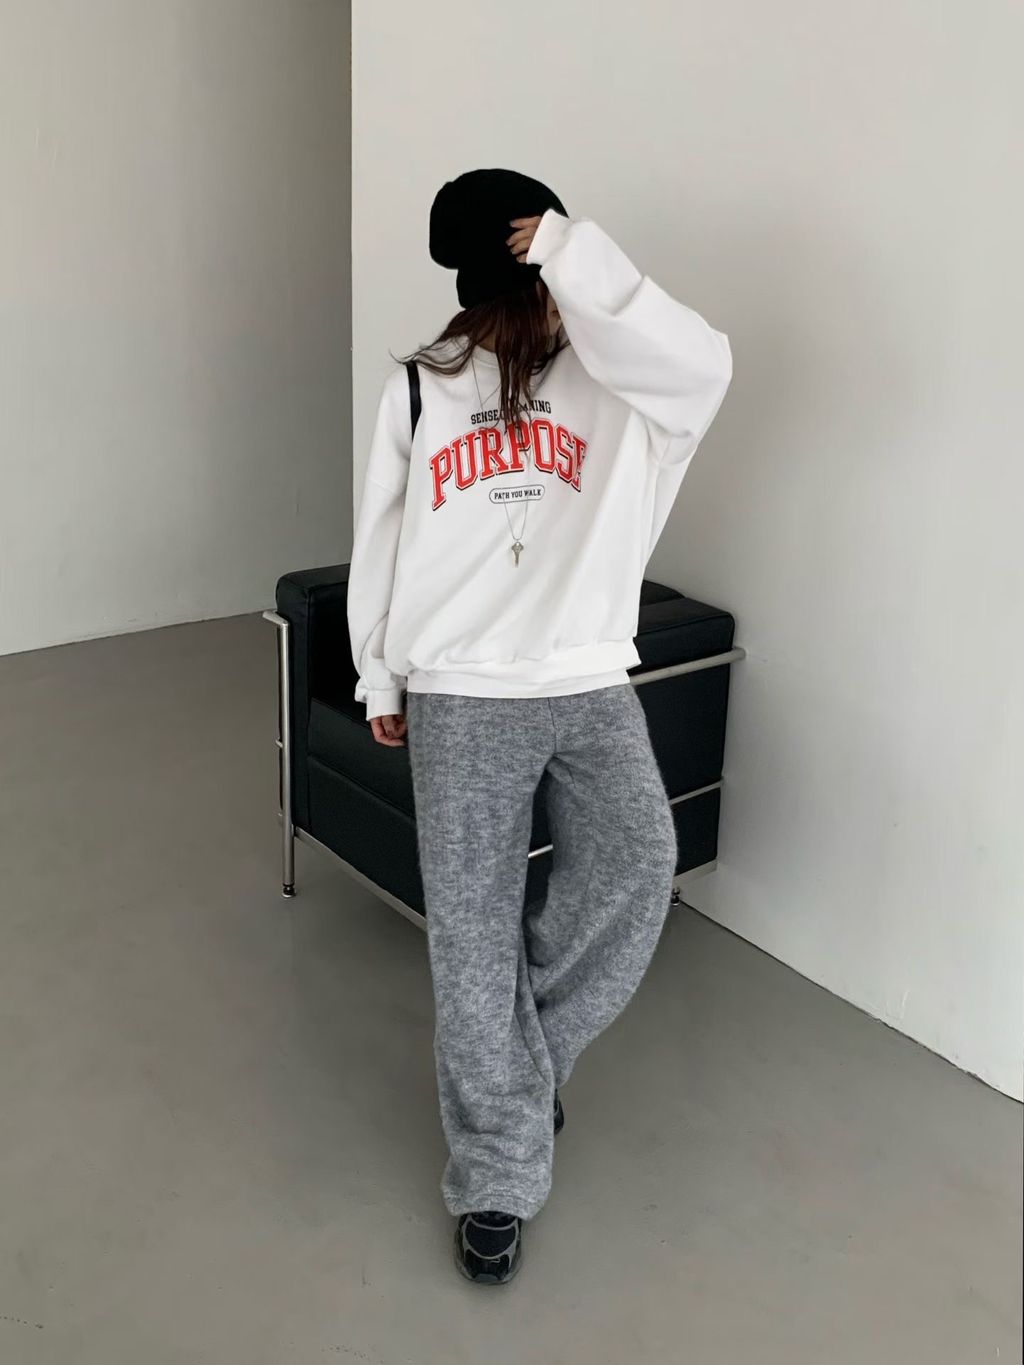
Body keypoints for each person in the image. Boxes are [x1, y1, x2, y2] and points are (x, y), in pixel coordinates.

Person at [347, 168, 732, 1284]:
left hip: (588, 679)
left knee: (637, 864)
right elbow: (383, 538)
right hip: (463, 692)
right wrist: (383, 677)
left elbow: (706, 362)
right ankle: (496, 1175)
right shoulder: (423, 387)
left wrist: (573, 250)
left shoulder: (624, 382)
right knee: (470, 936)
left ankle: (516, 1071)